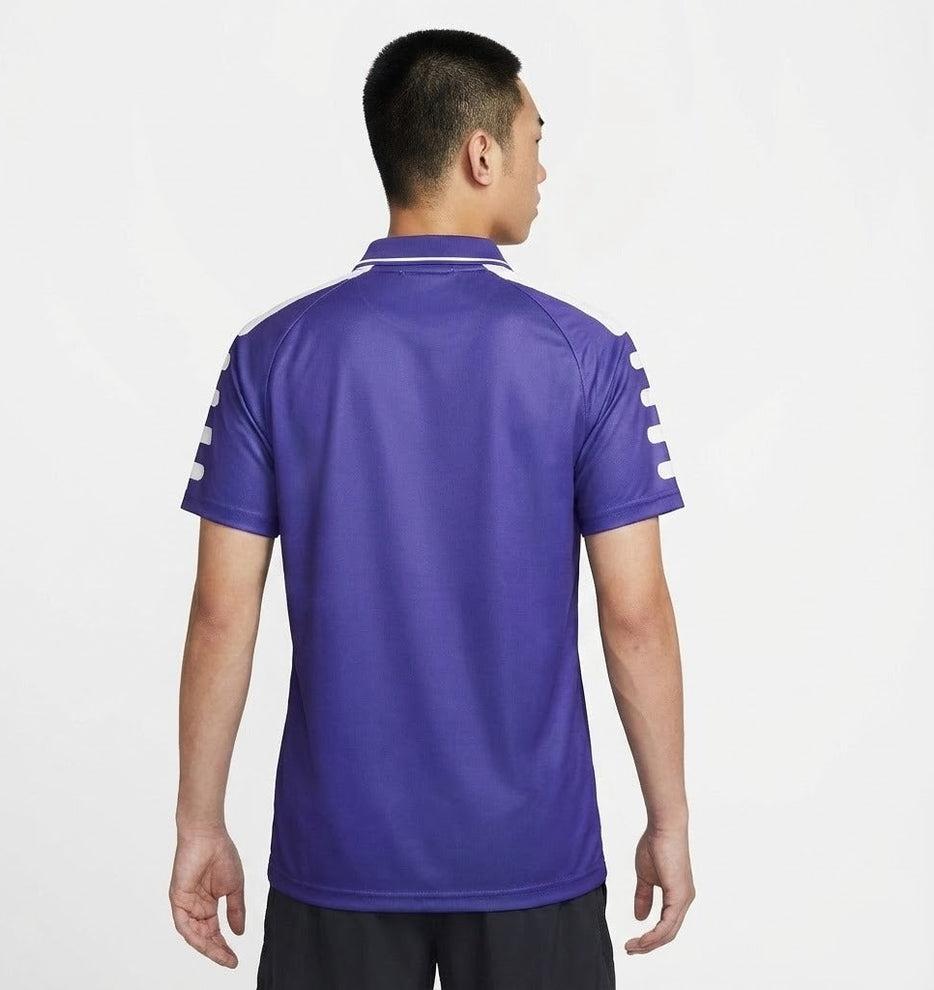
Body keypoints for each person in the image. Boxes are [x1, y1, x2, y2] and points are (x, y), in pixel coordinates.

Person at [169, 27, 695, 990]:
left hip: (339, 857)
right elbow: (636, 615)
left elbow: (220, 613)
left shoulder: (270, 356)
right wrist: (669, 818)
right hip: (533, 856)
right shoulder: (587, 358)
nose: (544, 166)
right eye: (535, 138)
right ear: (481, 153)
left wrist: (199, 824)